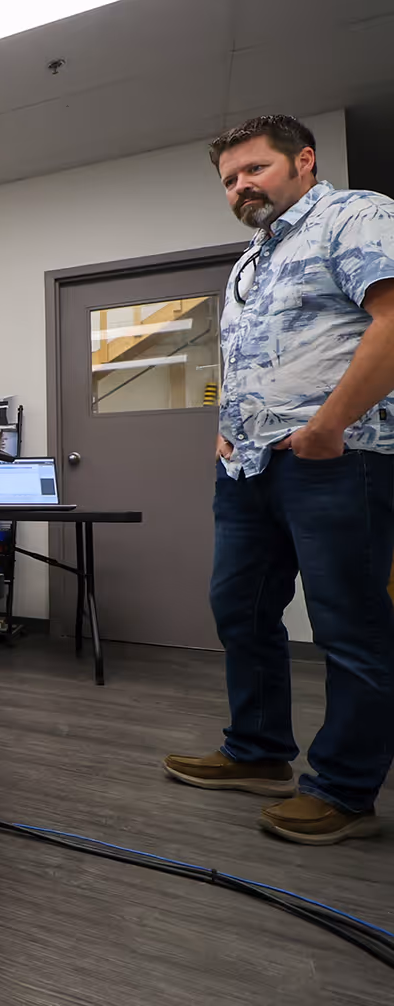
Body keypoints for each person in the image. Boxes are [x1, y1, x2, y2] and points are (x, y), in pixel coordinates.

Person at [163, 115, 394, 844]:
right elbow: (246, 354)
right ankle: (257, 752)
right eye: (230, 179)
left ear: (304, 160)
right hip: (248, 466)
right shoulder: (251, 259)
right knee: (241, 609)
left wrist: (329, 425)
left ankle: (345, 790)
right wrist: (225, 426)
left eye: (255, 169)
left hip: (339, 457)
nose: (241, 186)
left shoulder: (355, 215)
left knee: (349, 624)